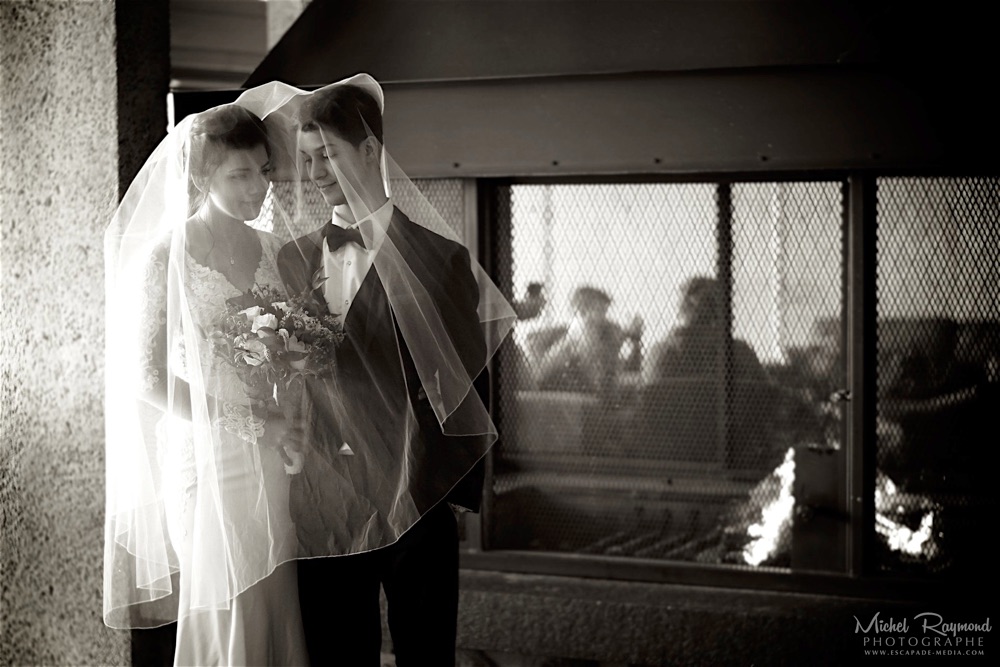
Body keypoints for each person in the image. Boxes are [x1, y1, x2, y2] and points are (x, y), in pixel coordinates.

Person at [274, 75, 514, 665]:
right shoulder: (291, 257)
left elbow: (474, 378)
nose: (316, 172)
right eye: (307, 160)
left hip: (419, 493)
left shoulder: (444, 258)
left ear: (370, 151)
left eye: (326, 154)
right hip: (326, 495)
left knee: (426, 651)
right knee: (336, 652)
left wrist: (457, 495)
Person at [103, 102, 309, 664]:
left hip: (272, 457)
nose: (257, 189)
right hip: (206, 455)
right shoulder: (166, 257)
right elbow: (145, 377)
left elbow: (290, 352)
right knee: (228, 601)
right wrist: (248, 421)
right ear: (202, 177)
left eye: (263, 171)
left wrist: (286, 416)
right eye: (239, 174)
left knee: (273, 601)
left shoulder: (271, 250)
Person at [535, 285, 641, 394]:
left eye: (605, 312)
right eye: (600, 311)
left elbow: (613, 370)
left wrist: (633, 340)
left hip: (578, 388)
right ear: (582, 312)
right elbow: (598, 381)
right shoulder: (580, 334)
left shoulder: (597, 333)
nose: (604, 318)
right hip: (557, 393)